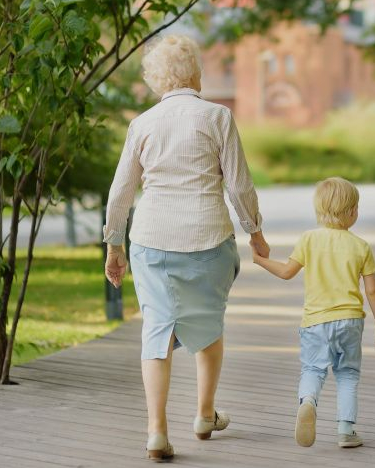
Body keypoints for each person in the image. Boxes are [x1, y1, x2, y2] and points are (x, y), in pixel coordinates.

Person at [103, 34, 270, 461]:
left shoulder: (142, 124)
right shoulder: (217, 117)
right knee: (209, 326)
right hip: (208, 239)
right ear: (196, 73)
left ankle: (156, 431)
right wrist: (255, 232)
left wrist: (113, 245)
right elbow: (238, 184)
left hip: (151, 241)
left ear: (157, 81)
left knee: (156, 331)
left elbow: (121, 191)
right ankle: (204, 413)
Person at [251, 177, 375, 449]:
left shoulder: (308, 239)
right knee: (348, 374)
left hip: (315, 322)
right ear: (351, 212)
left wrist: (259, 260)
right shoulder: (361, 246)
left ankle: (308, 402)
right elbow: (373, 291)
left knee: (313, 369)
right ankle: (346, 431)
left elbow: (286, 272)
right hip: (350, 321)